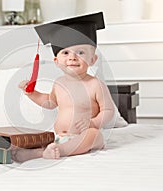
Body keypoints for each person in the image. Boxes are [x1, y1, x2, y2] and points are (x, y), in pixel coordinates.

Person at [12, 12, 115, 162]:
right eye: (65, 53)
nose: (72, 57)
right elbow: (49, 102)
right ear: (56, 61)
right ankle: (40, 152)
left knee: (95, 136)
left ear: (92, 59)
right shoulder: (59, 83)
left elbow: (108, 110)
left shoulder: (95, 84)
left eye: (80, 52)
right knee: (46, 138)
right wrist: (31, 93)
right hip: (60, 136)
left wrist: (92, 123)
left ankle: (60, 151)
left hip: (84, 135)